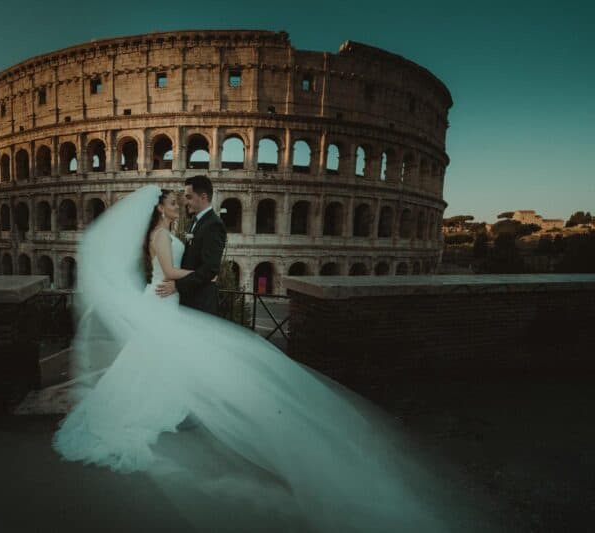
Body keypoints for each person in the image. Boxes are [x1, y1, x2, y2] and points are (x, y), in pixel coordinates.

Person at [51, 184, 494, 532]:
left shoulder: (167, 233)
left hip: (166, 300)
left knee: (152, 359)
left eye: (180, 200)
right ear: (160, 209)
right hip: (164, 297)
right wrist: (204, 276)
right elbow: (168, 272)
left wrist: (192, 274)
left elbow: (171, 268)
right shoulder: (161, 235)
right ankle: (145, 408)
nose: (178, 205)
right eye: (172, 202)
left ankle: (157, 404)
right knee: (154, 358)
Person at [155, 175, 226, 316]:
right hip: (188, 299)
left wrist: (177, 285)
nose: (185, 202)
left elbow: (210, 268)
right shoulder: (194, 221)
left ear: (203, 197)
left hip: (201, 302)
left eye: (189, 197)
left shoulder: (214, 225)